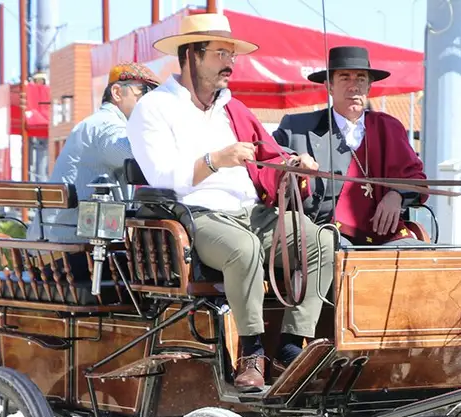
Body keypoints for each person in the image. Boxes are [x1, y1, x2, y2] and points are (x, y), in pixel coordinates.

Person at [126, 13, 334, 390]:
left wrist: (292, 165)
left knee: (318, 239)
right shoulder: (153, 108)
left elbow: (267, 158)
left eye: (232, 54)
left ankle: (290, 344)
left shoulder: (232, 108)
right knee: (243, 248)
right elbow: (160, 175)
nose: (230, 62)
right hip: (193, 215)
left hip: (252, 211)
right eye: (221, 53)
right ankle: (251, 353)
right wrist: (214, 160)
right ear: (191, 55)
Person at [272, 46, 427, 245]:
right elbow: (269, 161)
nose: (354, 86)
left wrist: (397, 194)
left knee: (417, 255)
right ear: (329, 86)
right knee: (341, 256)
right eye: (345, 78)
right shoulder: (296, 128)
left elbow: (416, 178)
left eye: (361, 79)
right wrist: (293, 164)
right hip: (322, 232)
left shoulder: (390, 127)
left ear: (369, 87)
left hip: (385, 234)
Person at [37, 63, 159, 242]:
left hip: (58, 243)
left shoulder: (94, 124)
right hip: (78, 249)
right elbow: (140, 154)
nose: (151, 103)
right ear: (117, 93)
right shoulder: (106, 126)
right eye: (145, 93)